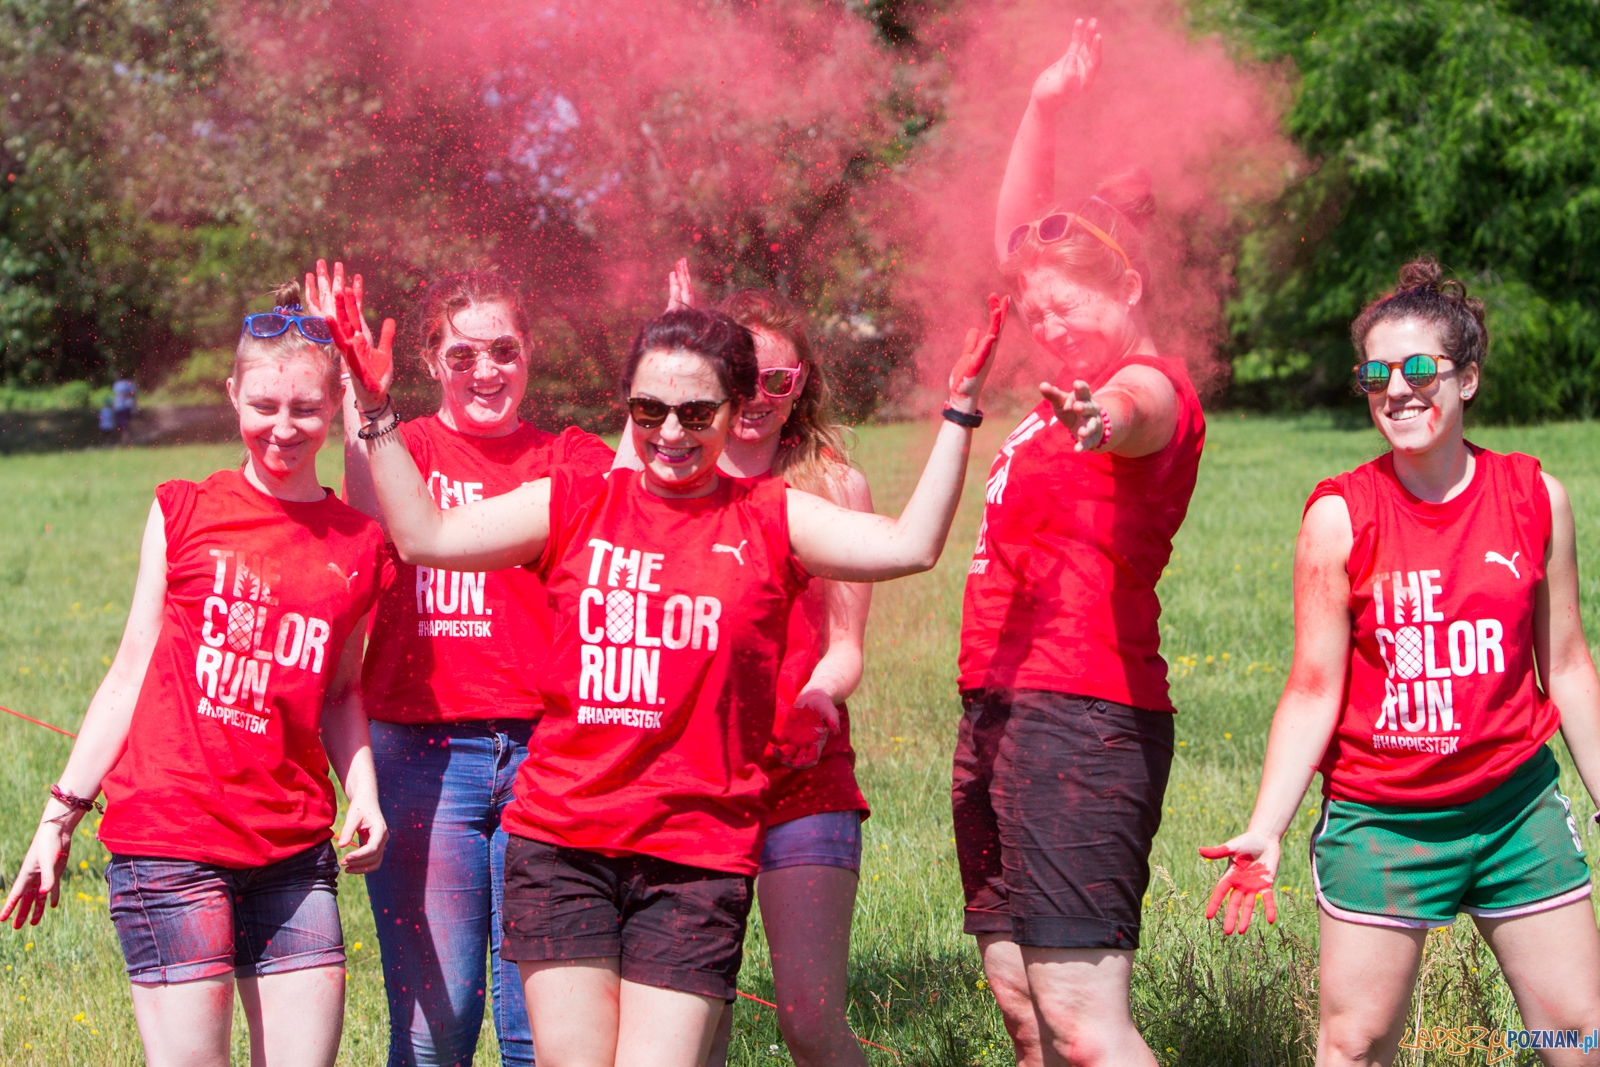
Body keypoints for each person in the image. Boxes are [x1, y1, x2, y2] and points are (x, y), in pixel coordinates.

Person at [330, 289, 1007, 1067]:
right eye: (650, 411)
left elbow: (913, 544)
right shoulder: (575, 500)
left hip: (693, 854)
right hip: (562, 843)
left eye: (695, 411)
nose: (672, 433)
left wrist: (958, 412)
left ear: (731, 408)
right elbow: (425, 535)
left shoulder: (768, 515)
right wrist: (377, 411)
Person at [1201, 258, 1600, 1066]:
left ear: (1469, 378)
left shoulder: (1533, 497)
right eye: (1376, 373)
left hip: (1514, 809)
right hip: (1382, 821)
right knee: (1353, 1044)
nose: (1399, 389)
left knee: (1578, 1035)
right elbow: (1312, 689)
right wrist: (1267, 828)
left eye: (1422, 367)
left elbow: (1566, 667)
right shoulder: (1338, 515)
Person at [0, 283, 389, 1067]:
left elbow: (343, 690)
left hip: (292, 850)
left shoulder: (359, 542)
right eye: (265, 404)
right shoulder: (183, 510)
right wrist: (57, 817)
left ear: (333, 403)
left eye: (305, 408)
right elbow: (130, 667)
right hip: (170, 844)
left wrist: (366, 792)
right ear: (232, 395)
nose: (282, 427)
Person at [953, 21, 1207, 1067]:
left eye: (1069, 307)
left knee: (1085, 1022)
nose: (1046, 328)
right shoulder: (1053, 373)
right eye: (1036, 313)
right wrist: (1044, 106)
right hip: (1003, 707)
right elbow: (1019, 236)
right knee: (1022, 1001)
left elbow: (1138, 404)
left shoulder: (1148, 388)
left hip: (1083, 716)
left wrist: (1101, 415)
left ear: (1131, 290)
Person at [310, 261, 614, 1067]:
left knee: (538, 1034)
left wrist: (682, 353)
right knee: (434, 1029)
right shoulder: (398, 443)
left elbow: (652, 483)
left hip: (546, 762)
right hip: (420, 757)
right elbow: (367, 517)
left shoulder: (570, 454)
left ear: (531, 353)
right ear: (431, 362)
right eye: (463, 356)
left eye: (505, 351)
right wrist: (351, 377)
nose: (487, 372)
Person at [662, 264, 877, 1067]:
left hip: (804, 778)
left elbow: (847, 645)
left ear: (801, 387)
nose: (757, 395)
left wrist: (819, 693)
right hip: (688, 783)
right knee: (694, 1029)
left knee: (811, 1024)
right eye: (741, 375)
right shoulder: (676, 480)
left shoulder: (832, 486)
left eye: (776, 378)